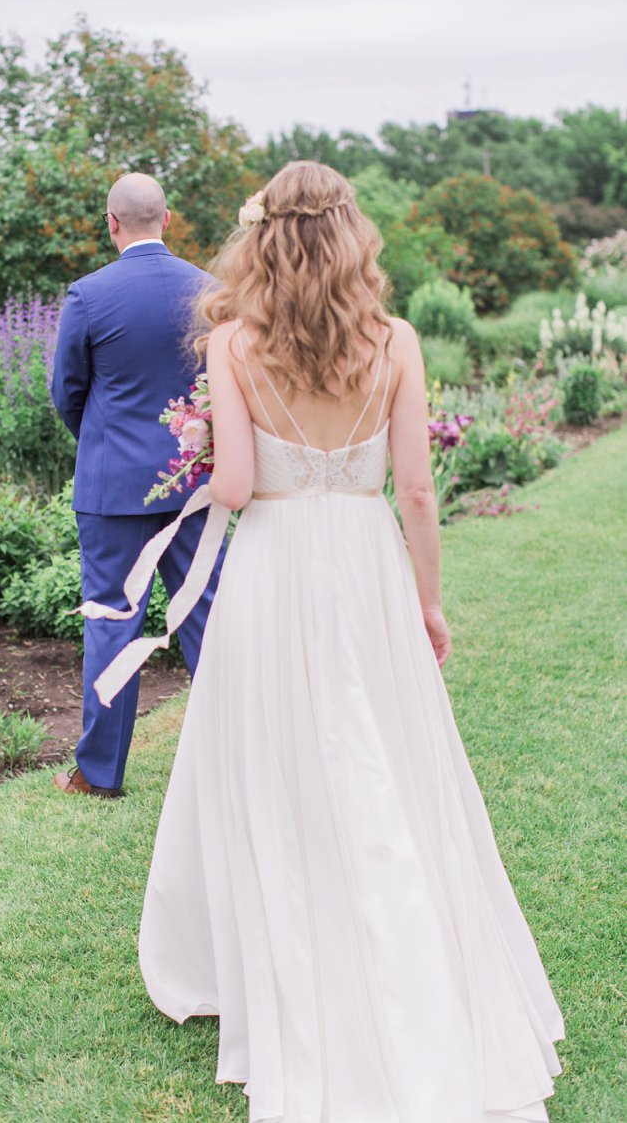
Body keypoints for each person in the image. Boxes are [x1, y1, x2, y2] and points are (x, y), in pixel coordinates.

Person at [98, 163, 564, 1119]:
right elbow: (418, 493)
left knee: (276, 759)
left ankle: (289, 946)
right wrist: (429, 605)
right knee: (380, 750)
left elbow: (231, 488)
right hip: (364, 563)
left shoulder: (232, 341)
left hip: (272, 568)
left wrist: (200, 466)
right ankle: (399, 932)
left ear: (261, 239)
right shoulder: (394, 340)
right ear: (354, 237)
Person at [50, 172, 224, 798]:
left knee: (112, 620)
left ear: (111, 222)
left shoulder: (88, 295)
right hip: (195, 486)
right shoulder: (211, 291)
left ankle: (99, 776)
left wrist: (103, 446)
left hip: (111, 490)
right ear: (168, 220)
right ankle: (233, 760)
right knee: (208, 616)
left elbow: (66, 393)